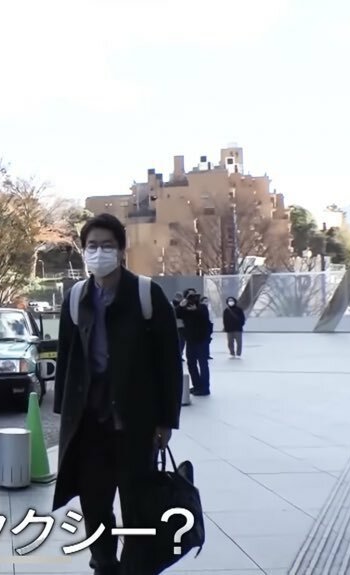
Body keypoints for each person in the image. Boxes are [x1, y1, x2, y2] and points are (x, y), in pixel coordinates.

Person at [52, 213, 183, 574]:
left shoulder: (146, 294)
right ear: (83, 251)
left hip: (135, 423)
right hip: (90, 423)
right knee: (94, 505)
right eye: (92, 246)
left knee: (137, 506)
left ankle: (136, 568)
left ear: (122, 250)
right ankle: (104, 564)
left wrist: (166, 420)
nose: (99, 253)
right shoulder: (76, 297)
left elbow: (169, 362)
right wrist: (65, 413)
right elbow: (67, 356)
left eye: (107, 245)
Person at [178, 291, 212, 396]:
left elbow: (204, 319)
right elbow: (175, 314)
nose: (193, 299)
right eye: (190, 297)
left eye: (195, 296)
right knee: (191, 363)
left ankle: (205, 388)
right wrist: (180, 306)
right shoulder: (184, 309)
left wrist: (195, 311)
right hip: (190, 340)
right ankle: (197, 385)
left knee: (203, 363)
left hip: (202, 340)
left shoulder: (202, 307)